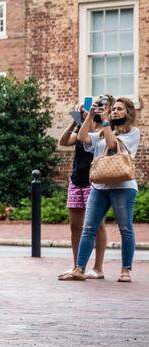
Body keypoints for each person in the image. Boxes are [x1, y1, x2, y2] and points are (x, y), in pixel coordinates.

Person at [59, 96, 140, 283]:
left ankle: (125, 270)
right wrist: (89, 115)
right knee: (88, 228)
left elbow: (112, 145)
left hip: (123, 187)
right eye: (114, 109)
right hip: (99, 186)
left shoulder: (132, 132)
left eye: (119, 109)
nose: (115, 111)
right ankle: (79, 269)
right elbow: (82, 137)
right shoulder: (104, 130)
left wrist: (104, 121)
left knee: (125, 228)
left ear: (128, 113)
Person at [58, 102, 108, 278]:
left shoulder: (101, 132)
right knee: (75, 226)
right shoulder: (81, 131)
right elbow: (63, 141)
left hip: (94, 182)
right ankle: (77, 266)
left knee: (97, 226)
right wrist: (75, 121)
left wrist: (91, 116)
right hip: (76, 181)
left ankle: (98, 268)